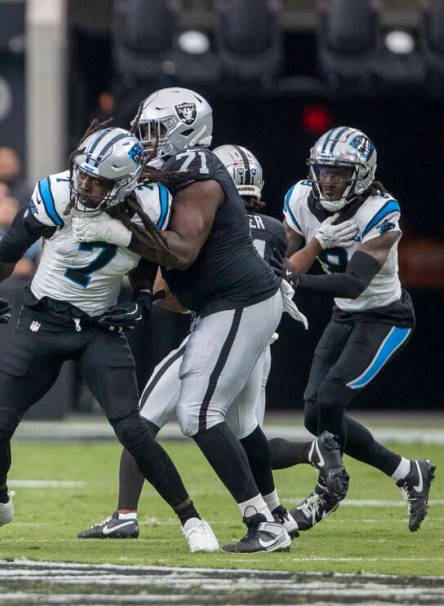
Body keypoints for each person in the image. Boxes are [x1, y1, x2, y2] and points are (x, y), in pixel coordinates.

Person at [0, 125, 220, 554]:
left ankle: (191, 519)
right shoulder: (56, 193)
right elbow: (10, 247)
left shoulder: (151, 204)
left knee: (133, 429)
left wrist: (143, 300)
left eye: (98, 181)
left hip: (99, 328)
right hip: (43, 320)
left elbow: (149, 259)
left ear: (125, 182)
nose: (86, 186)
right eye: (84, 175)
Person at [77, 144, 335, 541]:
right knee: (245, 431)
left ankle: (129, 513)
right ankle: (276, 507)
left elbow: (171, 287)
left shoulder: (204, 223)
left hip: (225, 325)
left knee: (150, 419)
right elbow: (281, 277)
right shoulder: (271, 227)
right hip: (260, 334)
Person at [121, 88, 290, 552]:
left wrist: (121, 229)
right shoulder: (170, 176)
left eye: (157, 132)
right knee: (233, 423)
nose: (148, 143)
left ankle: (266, 525)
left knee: (197, 411)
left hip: (242, 298)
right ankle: (270, 518)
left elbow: (182, 250)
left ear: (188, 130)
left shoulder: (198, 172)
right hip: (222, 303)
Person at [275, 126, 435, 532]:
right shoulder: (298, 198)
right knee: (314, 416)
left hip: (385, 316)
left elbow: (353, 283)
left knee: (329, 400)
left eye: (339, 172)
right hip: (344, 315)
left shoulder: (381, 211)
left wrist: (297, 279)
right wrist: (313, 247)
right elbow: (288, 265)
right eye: (323, 170)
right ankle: (406, 471)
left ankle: (326, 492)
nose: (328, 180)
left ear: (363, 174)